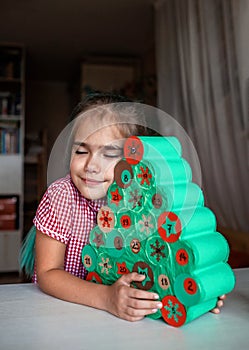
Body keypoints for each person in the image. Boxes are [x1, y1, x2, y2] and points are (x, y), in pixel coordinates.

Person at [21, 92, 225, 321]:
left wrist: (199, 289)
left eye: (109, 154)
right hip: (59, 314)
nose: (91, 166)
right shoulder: (61, 196)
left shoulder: (144, 202)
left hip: (111, 322)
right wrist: (106, 297)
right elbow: (48, 273)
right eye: (81, 151)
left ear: (135, 160)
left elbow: (158, 263)